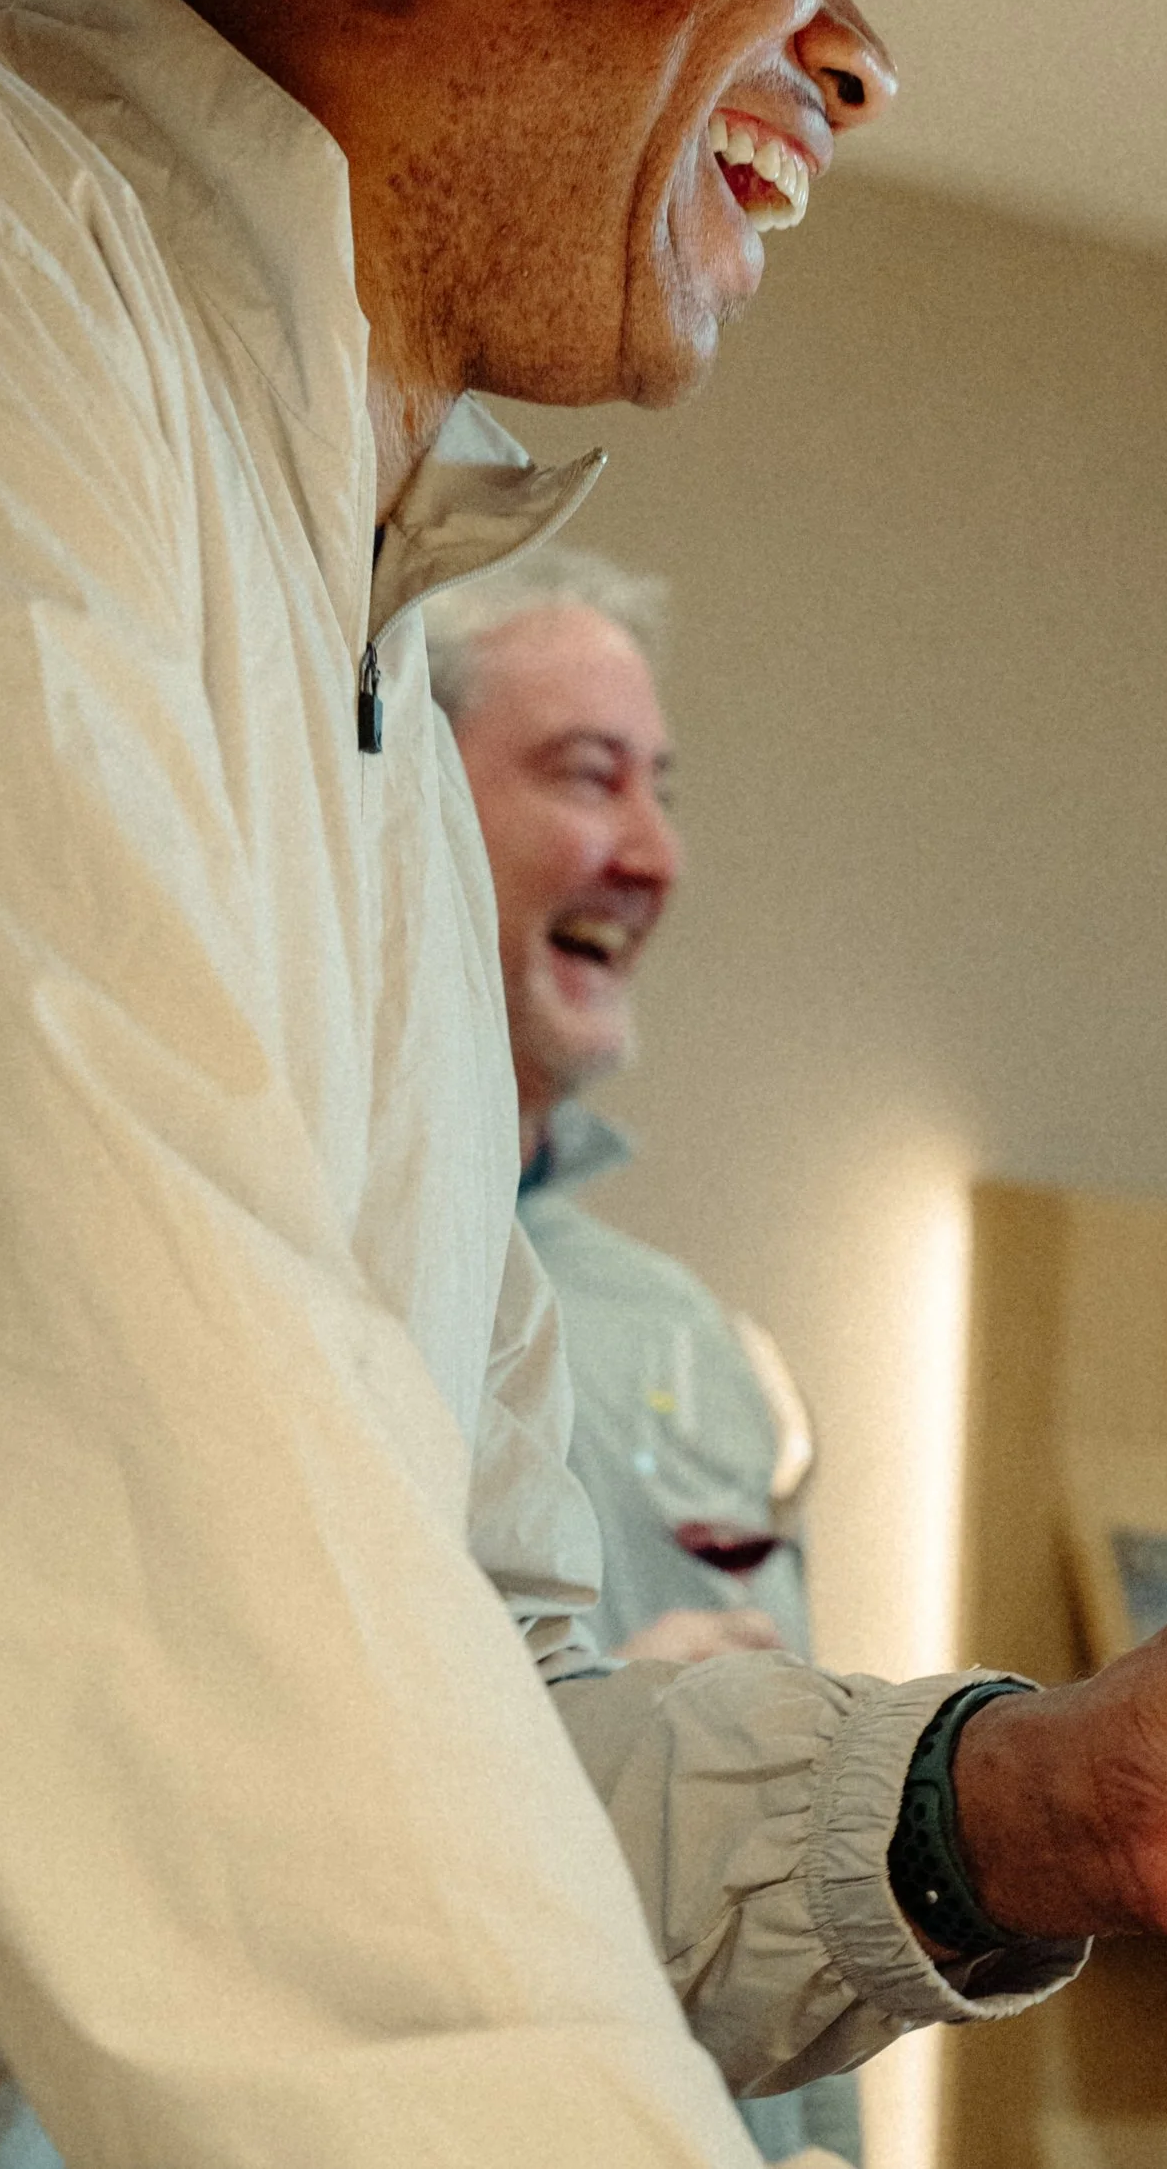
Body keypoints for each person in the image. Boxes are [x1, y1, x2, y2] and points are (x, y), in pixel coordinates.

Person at [0, 0, 1167, 2169]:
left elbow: (468, 1730)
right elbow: (134, 1512)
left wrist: (1048, 1795)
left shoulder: (382, 742)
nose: (860, 63)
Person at [426, 542, 861, 2169]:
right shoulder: (279, 1276)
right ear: (399, 804)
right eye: (584, 776)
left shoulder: (688, 1336)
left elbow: (796, 1817)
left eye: (661, 788)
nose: (654, 853)